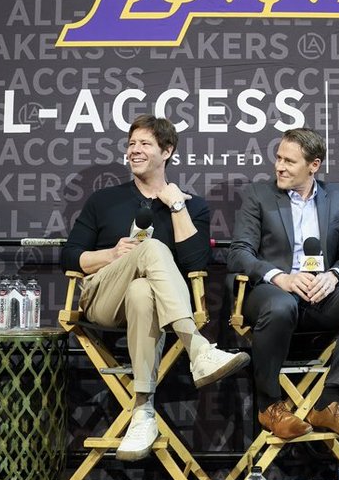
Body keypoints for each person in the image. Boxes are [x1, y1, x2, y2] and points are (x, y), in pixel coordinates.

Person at [62, 115, 248, 461]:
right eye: (131, 144)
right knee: (151, 248)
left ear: (167, 150)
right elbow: (70, 257)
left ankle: (143, 411)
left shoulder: (191, 205)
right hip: (102, 299)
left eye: (145, 144)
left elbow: (195, 265)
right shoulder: (104, 200)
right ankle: (198, 350)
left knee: (142, 292)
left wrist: (176, 205)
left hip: (151, 305)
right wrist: (111, 254)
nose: (135, 150)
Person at [227, 128, 339, 441]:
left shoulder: (338, 196)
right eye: (278, 158)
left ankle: (329, 402)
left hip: (320, 296)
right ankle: (270, 405)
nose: (279, 167)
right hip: (271, 294)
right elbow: (239, 253)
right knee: (281, 303)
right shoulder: (259, 195)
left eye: (289, 161)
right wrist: (281, 277)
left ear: (313, 166)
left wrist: (334, 276)